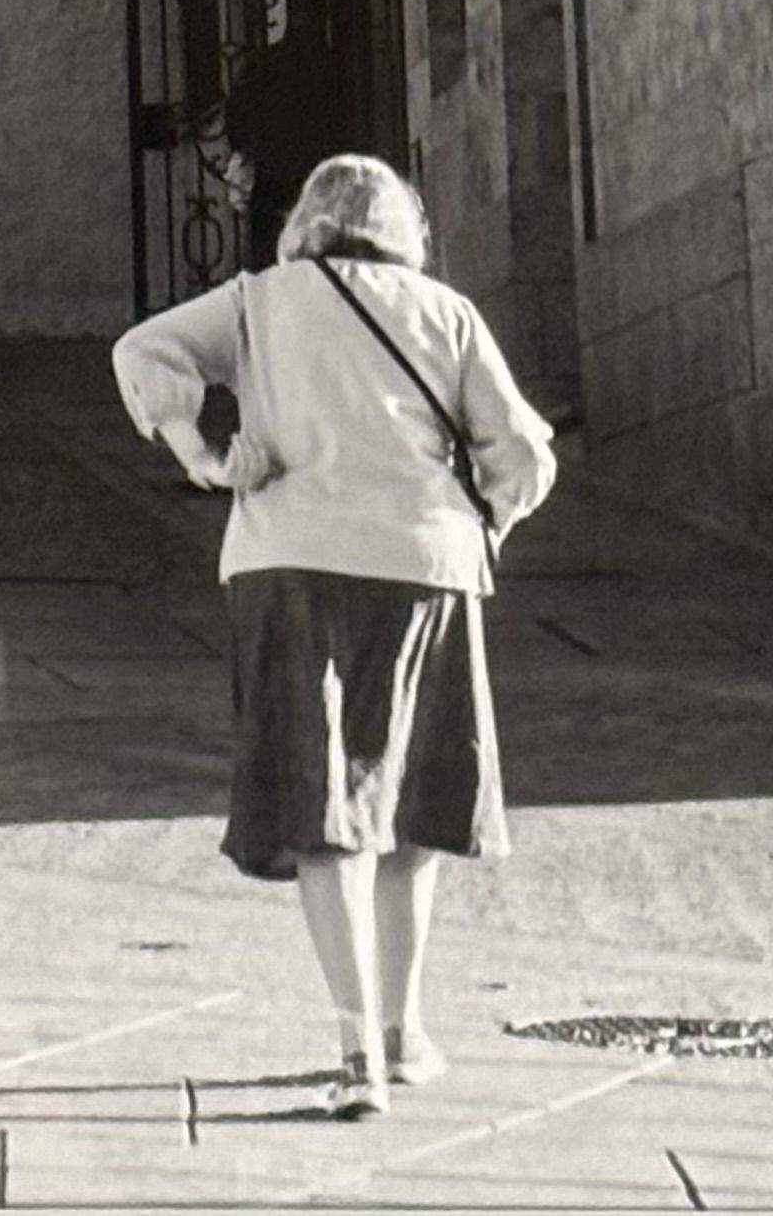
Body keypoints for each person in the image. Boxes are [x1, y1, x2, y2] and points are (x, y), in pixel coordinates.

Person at [111, 152, 554, 1121]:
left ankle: (354, 1048)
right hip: (422, 570)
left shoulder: (254, 302)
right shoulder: (444, 312)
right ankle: (404, 1034)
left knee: (325, 807)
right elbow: (520, 452)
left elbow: (142, 349)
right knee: (413, 813)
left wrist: (205, 458)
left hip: (287, 562)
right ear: (405, 227)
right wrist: (487, 522)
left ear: (302, 221)